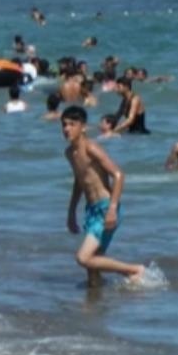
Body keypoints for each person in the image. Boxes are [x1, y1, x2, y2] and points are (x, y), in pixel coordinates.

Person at [61, 106, 144, 287]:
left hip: (106, 208)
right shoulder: (70, 153)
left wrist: (112, 209)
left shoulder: (91, 147)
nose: (66, 129)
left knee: (83, 258)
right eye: (64, 125)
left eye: (71, 124)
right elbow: (79, 182)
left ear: (83, 127)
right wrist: (71, 212)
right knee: (92, 272)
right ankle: (95, 307)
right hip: (91, 211)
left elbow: (119, 175)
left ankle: (133, 270)